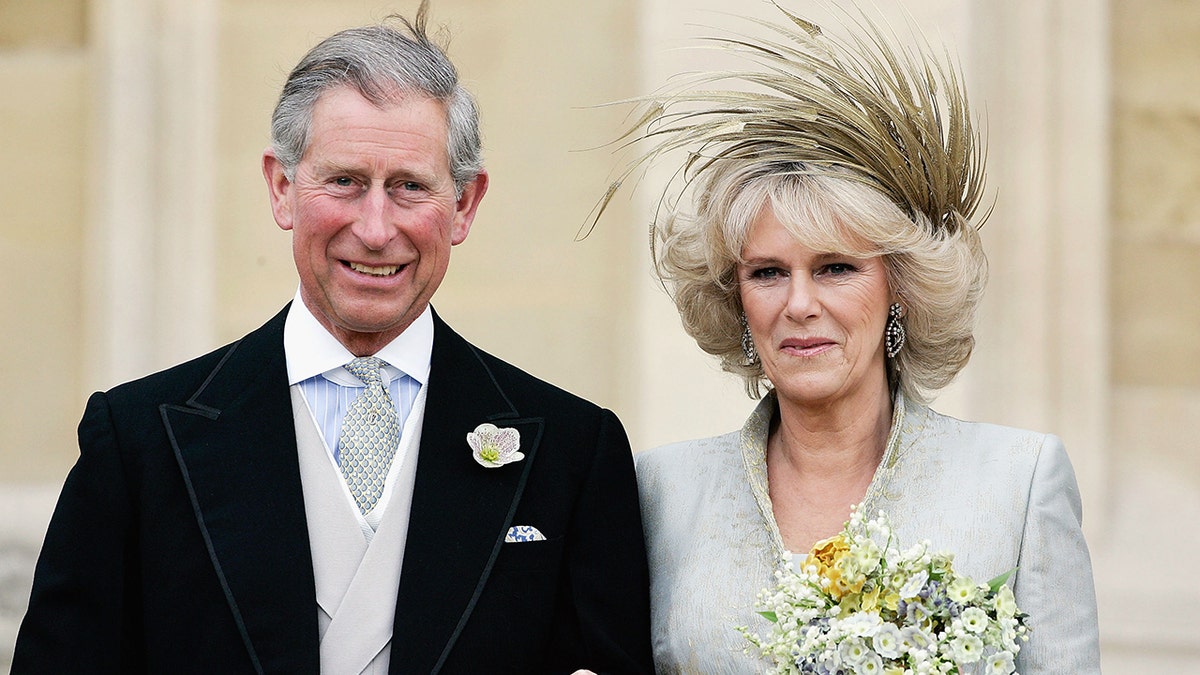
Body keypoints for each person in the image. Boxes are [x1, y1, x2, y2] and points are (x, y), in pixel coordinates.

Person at [13, 5, 653, 674]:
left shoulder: (573, 455)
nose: (376, 229)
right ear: (283, 186)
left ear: (464, 204)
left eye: (409, 186)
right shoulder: (139, 443)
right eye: (345, 181)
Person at [612, 5, 1101, 673]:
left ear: (898, 286)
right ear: (737, 297)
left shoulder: (1016, 481)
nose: (799, 304)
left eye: (836, 267)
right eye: (768, 273)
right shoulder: (663, 490)